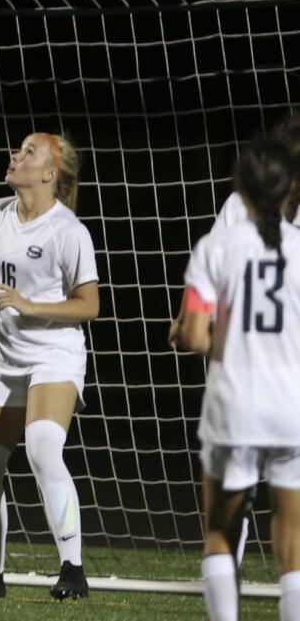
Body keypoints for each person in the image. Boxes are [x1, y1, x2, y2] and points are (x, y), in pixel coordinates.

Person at [0, 132, 99, 600]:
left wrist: (30, 306)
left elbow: (90, 304)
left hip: (54, 354)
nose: (16, 155)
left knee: (44, 448)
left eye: (30, 153)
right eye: (19, 148)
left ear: (50, 174)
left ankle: (73, 569)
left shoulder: (68, 231)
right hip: (4, 356)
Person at [179, 137, 300, 621]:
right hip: (291, 404)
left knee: (220, 535)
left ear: (241, 188)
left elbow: (192, 334)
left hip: (234, 403)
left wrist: (229, 343)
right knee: (292, 541)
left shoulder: (217, 245)